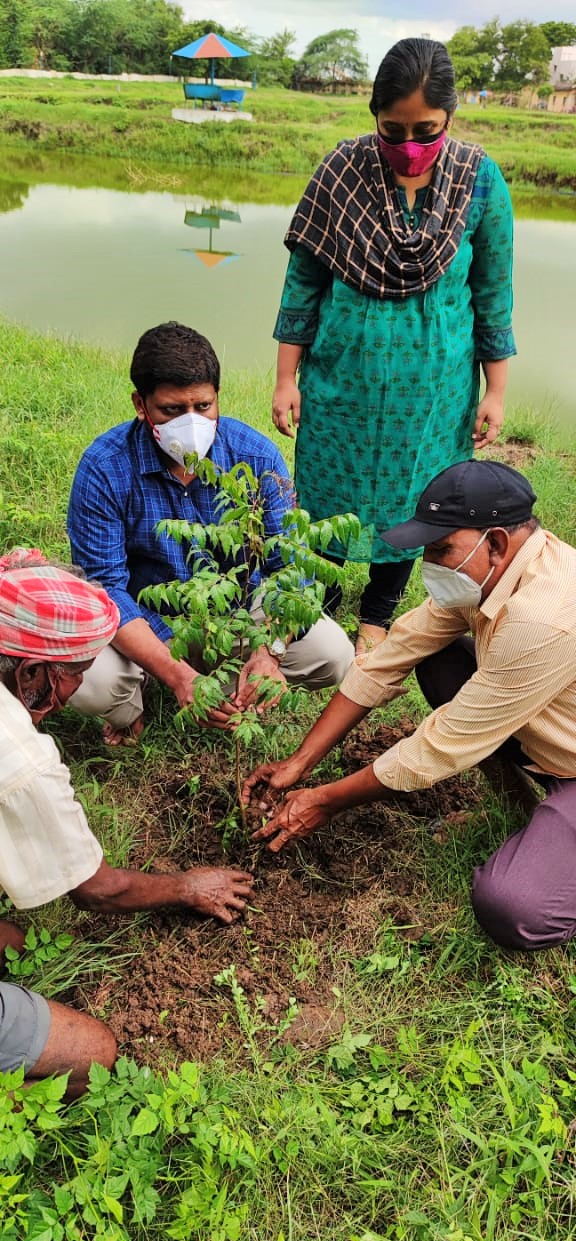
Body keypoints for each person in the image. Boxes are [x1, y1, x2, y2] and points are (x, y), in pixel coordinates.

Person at [243, 460, 576, 953]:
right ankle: (523, 810)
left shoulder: (545, 618)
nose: (433, 565)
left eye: (442, 549)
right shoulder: (495, 570)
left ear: (498, 542)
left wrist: (324, 800)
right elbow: (390, 657)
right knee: (440, 660)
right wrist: (300, 762)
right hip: (552, 733)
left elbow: (441, 745)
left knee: (513, 906)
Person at [272, 38, 516, 656]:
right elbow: (302, 283)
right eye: (393, 129)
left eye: (426, 130)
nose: (410, 146)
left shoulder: (479, 182)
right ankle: (320, 606)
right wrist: (285, 378)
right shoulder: (340, 172)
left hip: (434, 395)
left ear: (450, 118)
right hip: (340, 382)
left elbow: (493, 294)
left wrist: (496, 391)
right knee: (328, 490)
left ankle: (378, 614)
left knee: (417, 498)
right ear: (374, 116)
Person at [0, 549, 254, 1092]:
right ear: (31, 672)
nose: (69, 698)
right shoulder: (20, 759)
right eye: (75, 677)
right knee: (94, 1055)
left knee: (14, 946)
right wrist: (188, 887)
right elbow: (97, 891)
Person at [68, 322, 353, 747]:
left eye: (203, 406)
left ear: (218, 397)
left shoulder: (255, 457)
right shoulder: (104, 468)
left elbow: (290, 569)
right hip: (148, 623)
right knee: (94, 683)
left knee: (333, 653)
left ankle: (243, 682)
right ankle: (138, 699)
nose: (191, 422)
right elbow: (105, 588)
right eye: (171, 410)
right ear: (141, 405)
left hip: (238, 614)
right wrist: (177, 673)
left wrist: (268, 651)